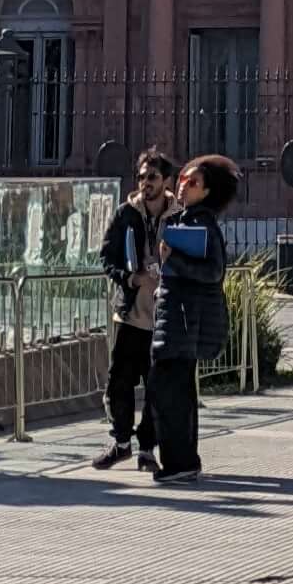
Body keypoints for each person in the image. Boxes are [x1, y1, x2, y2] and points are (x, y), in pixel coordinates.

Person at [148, 153, 241, 481]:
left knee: (170, 391)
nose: (183, 186)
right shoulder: (187, 219)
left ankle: (181, 461)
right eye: (184, 179)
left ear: (208, 191)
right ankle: (183, 460)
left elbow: (214, 271)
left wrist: (174, 260)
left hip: (184, 321)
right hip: (177, 318)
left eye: (193, 182)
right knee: (176, 390)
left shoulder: (202, 224)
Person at [90, 150, 173, 470]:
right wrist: (130, 277)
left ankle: (147, 449)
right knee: (118, 383)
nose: (144, 183)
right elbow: (106, 258)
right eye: (140, 177)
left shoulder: (178, 216)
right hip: (129, 314)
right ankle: (121, 441)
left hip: (162, 318)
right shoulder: (126, 213)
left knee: (156, 388)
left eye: (151, 177)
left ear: (165, 180)